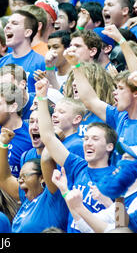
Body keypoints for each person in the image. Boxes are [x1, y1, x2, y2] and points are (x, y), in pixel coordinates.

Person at [35, 77, 117, 233]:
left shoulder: (118, 179)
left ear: (109, 146)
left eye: (95, 138)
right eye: (86, 138)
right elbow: (47, 136)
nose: (88, 143)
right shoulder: (78, 166)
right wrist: (41, 97)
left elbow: (122, 224)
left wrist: (108, 203)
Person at [63, 47, 137, 166]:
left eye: (120, 89)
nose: (115, 93)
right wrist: (75, 65)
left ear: (136, 93)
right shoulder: (120, 116)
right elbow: (90, 100)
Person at [0, 127, 68, 232]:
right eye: (19, 177)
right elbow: (3, 178)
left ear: (42, 178)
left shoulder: (52, 197)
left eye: (24, 176)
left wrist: (54, 137)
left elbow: (46, 159)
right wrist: (3, 144)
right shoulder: (27, 198)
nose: (20, 180)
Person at [0, 10, 46, 94]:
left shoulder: (41, 62)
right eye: (7, 23)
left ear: (27, 32)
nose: (7, 26)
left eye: (14, 23)